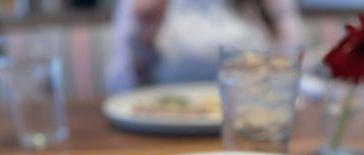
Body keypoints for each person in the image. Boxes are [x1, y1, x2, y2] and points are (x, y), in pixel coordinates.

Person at [106, 0, 302, 93]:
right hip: (163, 124)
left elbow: (294, 69)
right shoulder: (146, 5)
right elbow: (118, 85)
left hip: (249, 124)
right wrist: (144, 37)